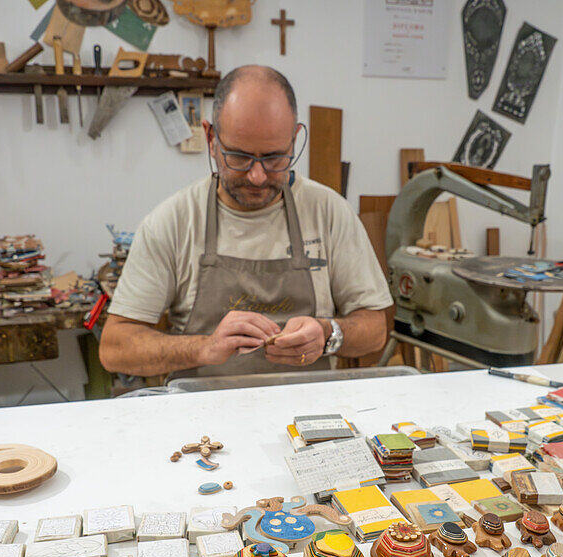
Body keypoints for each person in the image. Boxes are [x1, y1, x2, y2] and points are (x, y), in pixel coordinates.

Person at [99, 65, 392, 378]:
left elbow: (376, 330)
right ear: (211, 139)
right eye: (238, 157)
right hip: (203, 417)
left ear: (294, 139)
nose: (257, 175)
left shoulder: (329, 212)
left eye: (274, 158)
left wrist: (328, 334)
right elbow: (115, 349)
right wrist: (203, 348)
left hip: (307, 414)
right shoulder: (171, 223)